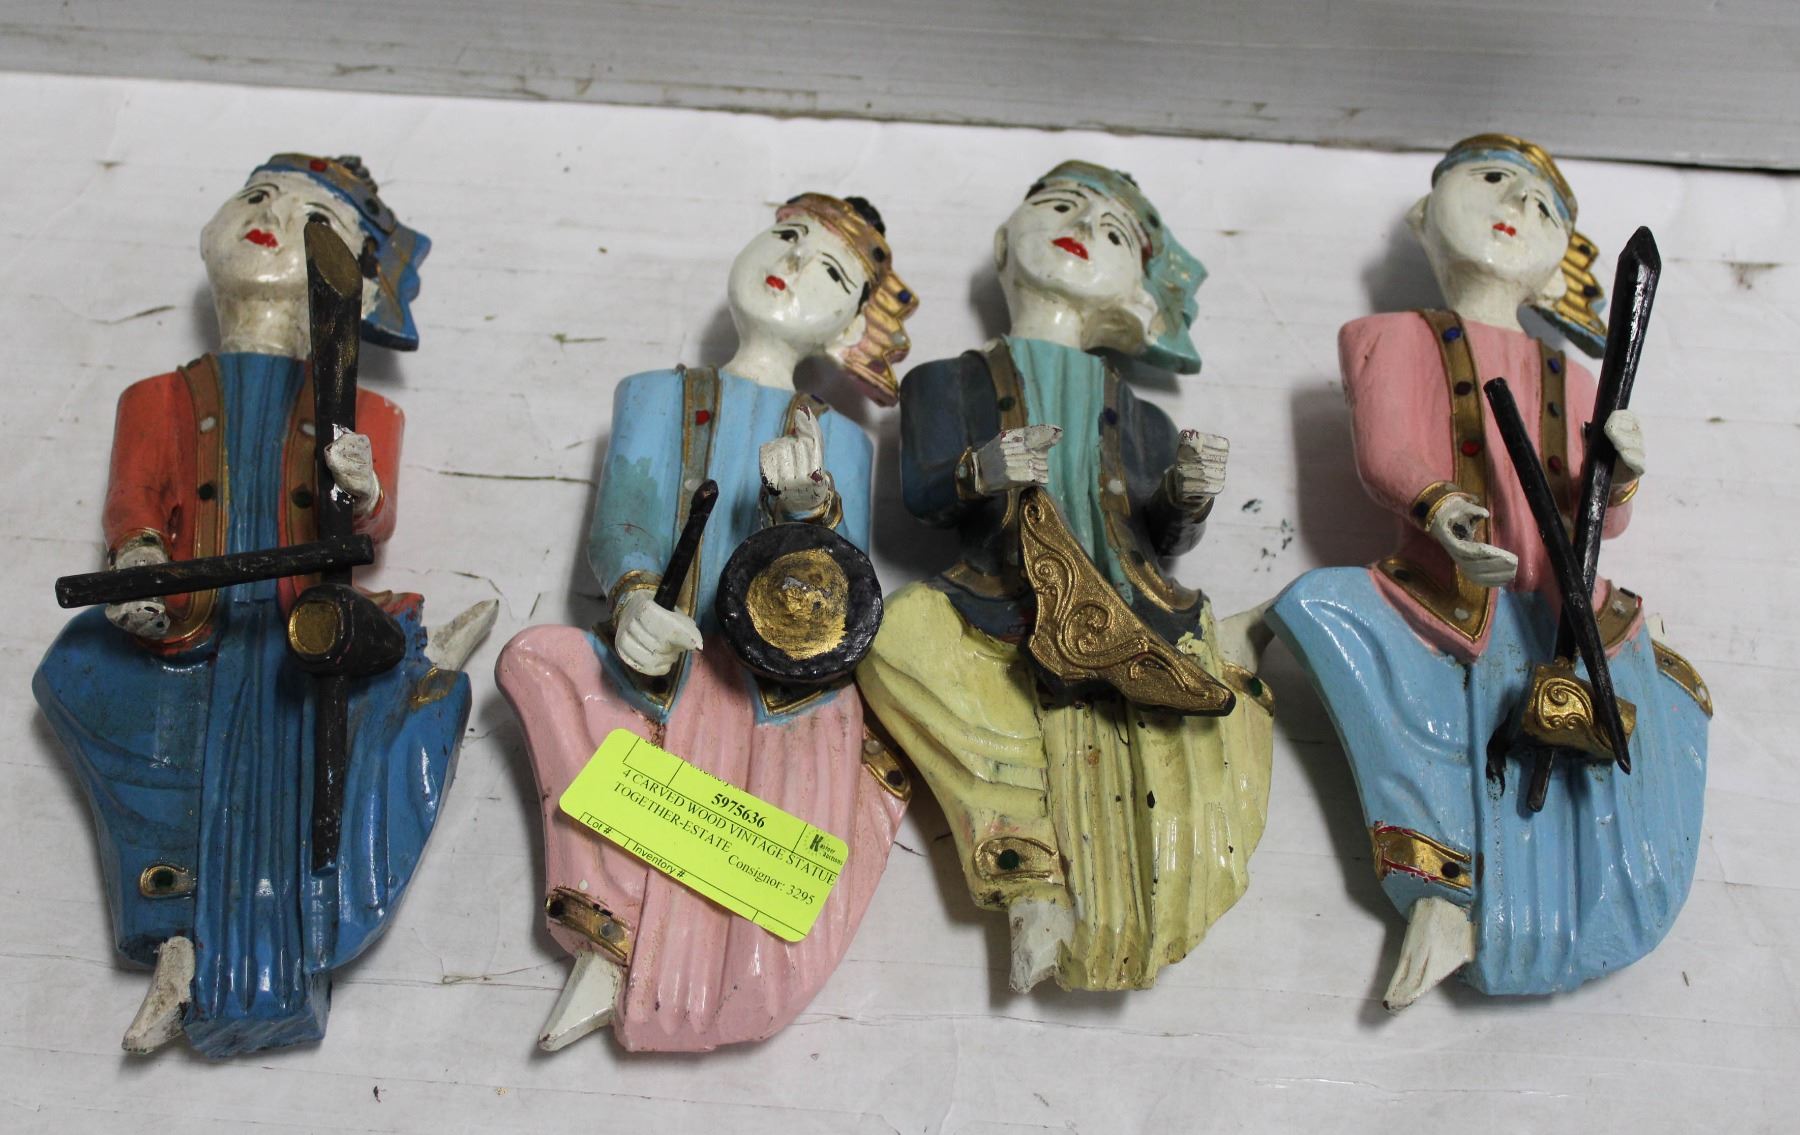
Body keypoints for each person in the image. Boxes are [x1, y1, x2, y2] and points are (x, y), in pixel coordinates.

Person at [33, 154, 496, 1057]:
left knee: (328, 742)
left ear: (359, 288)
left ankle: (297, 929)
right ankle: (171, 926)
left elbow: (369, 523)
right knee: (80, 674)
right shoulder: (157, 396)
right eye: (257, 197)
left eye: (312, 220)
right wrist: (138, 561)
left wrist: (359, 485)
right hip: (189, 618)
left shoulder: (363, 410)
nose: (272, 218)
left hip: (299, 624)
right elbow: (134, 500)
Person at [1267, 134, 1711, 1008]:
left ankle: (1591, 903)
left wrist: (1620, 471)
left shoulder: (1578, 378)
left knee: (1641, 709)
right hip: (1445, 586)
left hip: (1561, 602)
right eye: (1494, 180)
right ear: (1423, 215)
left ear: (1557, 266)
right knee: (1330, 612)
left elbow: (1603, 517)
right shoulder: (1390, 336)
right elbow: (1387, 451)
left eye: (1544, 206)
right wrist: (1441, 508)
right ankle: (1444, 888)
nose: (1517, 206)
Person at [496, 193, 917, 1052]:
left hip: (776, 692)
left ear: (848, 332)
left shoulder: (844, 442)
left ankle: (675, 954)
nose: (791, 264)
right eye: (786, 237)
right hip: (664, 654)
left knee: (806, 766)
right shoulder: (657, 393)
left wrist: (804, 505)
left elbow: (844, 600)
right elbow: (625, 514)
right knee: (536, 659)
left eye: (828, 272)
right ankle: (615, 918)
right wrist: (634, 600)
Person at [857, 161, 1274, 993]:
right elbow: (923, 493)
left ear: (1132, 291)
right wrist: (981, 469)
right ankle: (1028, 866)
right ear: (1003, 242)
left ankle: (1154, 882)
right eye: (1058, 206)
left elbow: (1164, 537)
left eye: (1113, 232)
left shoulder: (1144, 415)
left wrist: (1188, 496)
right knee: (894, 638)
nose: (1082, 227)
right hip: (1001, 594)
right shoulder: (944, 380)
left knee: (1204, 707)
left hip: (1133, 597)